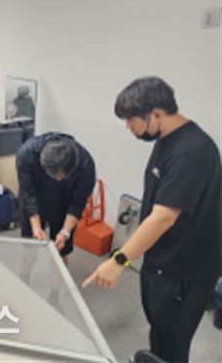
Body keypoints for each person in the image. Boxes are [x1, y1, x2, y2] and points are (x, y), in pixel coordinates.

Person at [83, 76, 221, 362]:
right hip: (161, 263)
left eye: (131, 120)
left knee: (172, 346)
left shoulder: (191, 152)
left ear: (156, 114)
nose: (127, 127)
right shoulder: (166, 140)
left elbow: (163, 218)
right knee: (160, 334)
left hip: (183, 272)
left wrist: (119, 260)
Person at [16, 132, 96, 263]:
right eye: (54, 175)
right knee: (30, 247)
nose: (58, 179)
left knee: (61, 249)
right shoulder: (26, 154)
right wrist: (36, 227)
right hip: (36, 199)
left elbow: (78, 202)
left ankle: (58, 277)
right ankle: (24, 275)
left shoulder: (86, 166)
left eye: (62, 176)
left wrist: (65, 232)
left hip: (64, 203)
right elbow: (28, 193)